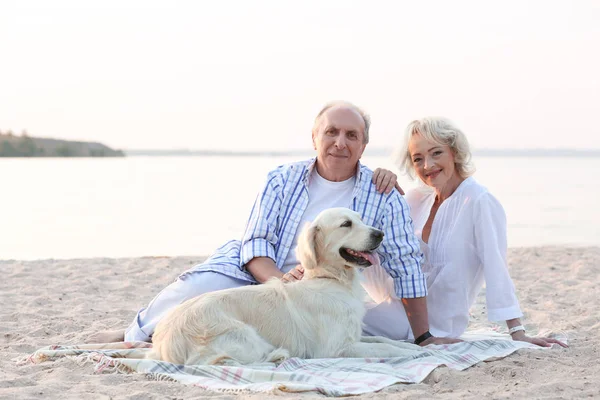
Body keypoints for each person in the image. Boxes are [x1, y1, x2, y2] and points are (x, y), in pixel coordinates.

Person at [89, 102, 458, 347]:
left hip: (315, 291)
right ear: (315, 137)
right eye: (331, 132)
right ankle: (133, 335)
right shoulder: (282, 179)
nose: (340, 142)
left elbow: (405, 261)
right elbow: (257, 241)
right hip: (254, 271)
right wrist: (277, 281)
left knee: (396, 329)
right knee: (197, 290)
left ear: (363, 145)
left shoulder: (382, 192)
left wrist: (423, 336)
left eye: (351, 135)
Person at [361, 117, 567, 347]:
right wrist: (375, 180)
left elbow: (495, 265)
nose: (427, 165)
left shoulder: (480, 201)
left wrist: (517, 331)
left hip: (433, 323)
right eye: (418, 158)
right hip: (397, 302)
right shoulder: (416, 199)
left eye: (436, 153)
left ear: (455, 152)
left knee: (338, 324)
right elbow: (376, 244)